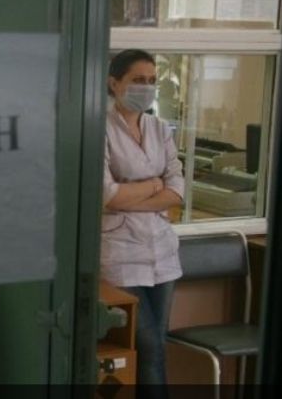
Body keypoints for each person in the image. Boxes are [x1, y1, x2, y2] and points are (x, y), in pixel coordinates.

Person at [100, 49, 185, 395]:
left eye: (151, 80)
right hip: (120, 254)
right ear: (114, 83)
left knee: (157, 344)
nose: (146, 87)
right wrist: (153, 186)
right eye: (138, 80)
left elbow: (177, 191)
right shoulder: (100, 129)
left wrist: (130, 196)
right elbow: (107, 195)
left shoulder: (159, 129)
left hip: (162, 255)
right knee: (148, 346)